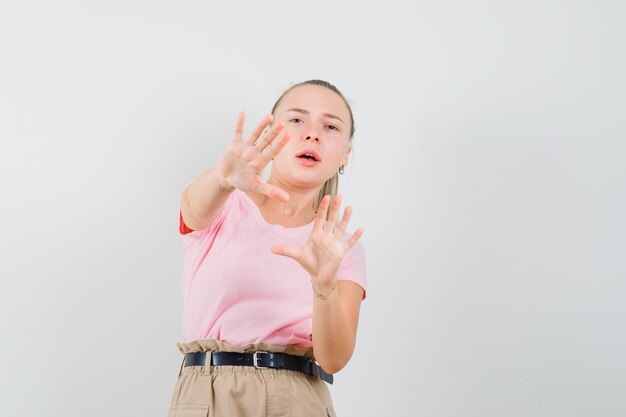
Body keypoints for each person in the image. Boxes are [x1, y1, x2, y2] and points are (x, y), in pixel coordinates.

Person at [168, 80, 367, 417]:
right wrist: (222, 179)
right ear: (273, 133)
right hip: (209, 392)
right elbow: (193, 209)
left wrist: (323, 287)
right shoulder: (224, 200)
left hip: (299, 398)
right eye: (297, 120)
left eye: (330, 126)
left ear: (345, 155)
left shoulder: (339, 246)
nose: (313, 134)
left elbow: (334, 358)